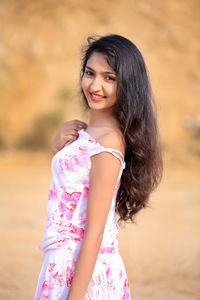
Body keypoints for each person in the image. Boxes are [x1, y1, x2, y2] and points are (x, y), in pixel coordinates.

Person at [35, 34, 163, 300]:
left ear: (126, 84)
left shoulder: (108, 143)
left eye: (109, 78)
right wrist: (59, 149)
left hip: (84, 273)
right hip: (64, 263)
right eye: (89, 73)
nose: (95, 85)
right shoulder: (89, 133)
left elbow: (94, 231)